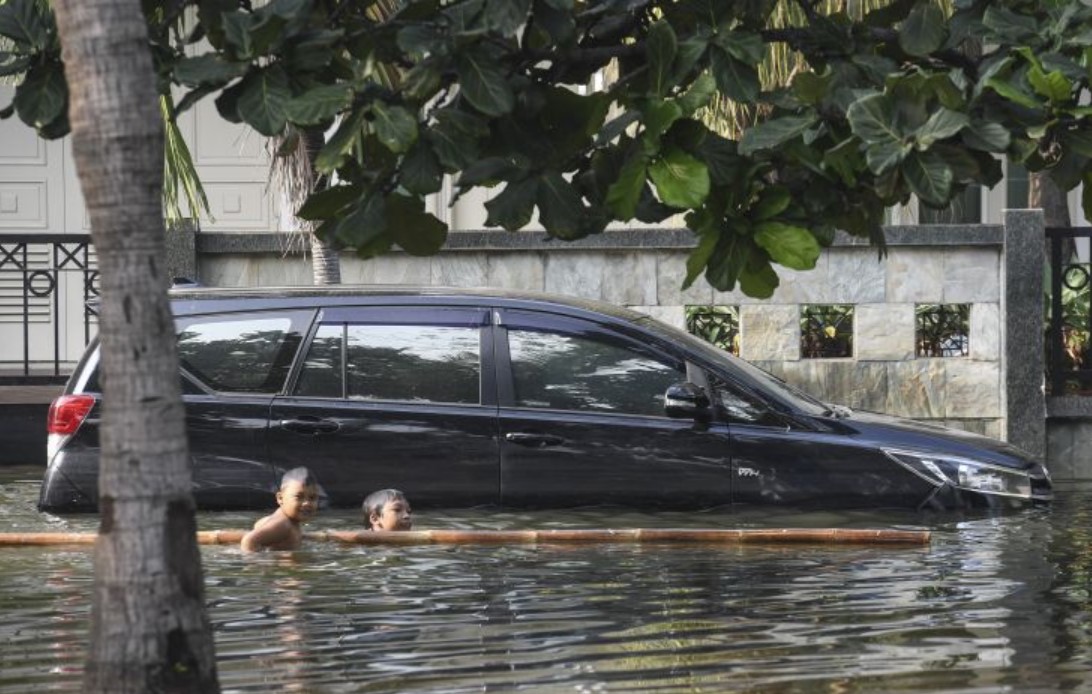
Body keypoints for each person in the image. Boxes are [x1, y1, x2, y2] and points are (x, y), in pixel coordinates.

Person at [241, 467, 320, 552]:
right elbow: (249, 540)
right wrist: (261, 560)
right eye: (299, 497)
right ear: (280, 498)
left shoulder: (288, 522)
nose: (307, 503)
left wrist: (316, 537)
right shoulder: (283, 525)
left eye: (312, 498)